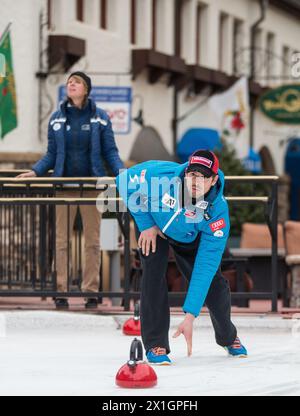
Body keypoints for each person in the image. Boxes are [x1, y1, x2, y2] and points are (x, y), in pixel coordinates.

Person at [116, 150, 247, 365]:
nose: (195, 181)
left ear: (214, 180)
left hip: (189, 238)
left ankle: (227, 337)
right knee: (153, 277)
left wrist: (190, 316)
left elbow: (204, 268)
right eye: (192, 174)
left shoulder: (217, 212)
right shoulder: (161, 176)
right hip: (154, 228)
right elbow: (123, 181)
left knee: (214, 284)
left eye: (202, 177)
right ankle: (155, 344)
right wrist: (146, 224)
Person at [18, 71, 124, 309]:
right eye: (69, 82)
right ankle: (61, 291)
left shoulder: (100, 117)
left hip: (91, 187)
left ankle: (90, 292)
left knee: (92, 241)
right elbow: (52, 154)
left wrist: (122, 172)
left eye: (76, 82)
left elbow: (110, 151)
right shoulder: (57, 118)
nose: (71, 84)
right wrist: (35, 171)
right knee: (62, 241)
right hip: (63, 187)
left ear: (86, 89)